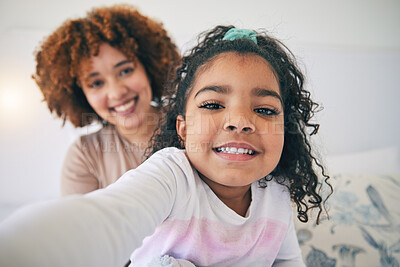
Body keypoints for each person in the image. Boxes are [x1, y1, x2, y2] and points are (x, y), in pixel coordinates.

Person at [0, 25, 332, 266]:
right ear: (182, 129)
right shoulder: (171, 170)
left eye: (264, 110)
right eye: (214, 105)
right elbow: (105, 220)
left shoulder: (275, 192)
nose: (240, 120)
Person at [33, 4, 180, 195]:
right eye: (96, 83)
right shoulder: (85, 156)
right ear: (80, 95)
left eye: (126, 70)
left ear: (148, 69)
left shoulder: (194, 126)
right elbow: (82, 224)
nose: (116, 92)